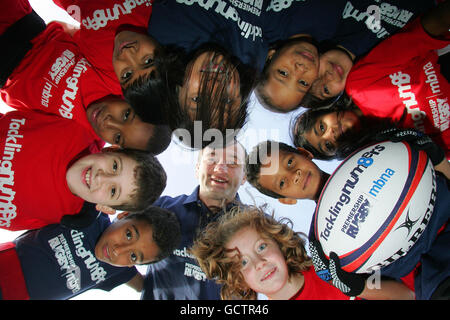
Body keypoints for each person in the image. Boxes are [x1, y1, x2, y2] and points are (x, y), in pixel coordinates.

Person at [0, 1, 171, 153]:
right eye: (126, 115)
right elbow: (78, 30)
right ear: (135, 97)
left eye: (118, 137)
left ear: (114, 147)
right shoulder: (113, 76)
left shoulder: (85, 140)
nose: (109, 123)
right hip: (17, 22)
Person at [302, 1, 449, 158]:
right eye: (328, 145)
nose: (331, 134)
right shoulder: (400, 149)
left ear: (329, 109)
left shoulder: (360, 84)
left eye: (321, 127)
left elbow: (422, 34)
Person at [191, 205, 414, 299]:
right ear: (237, 280)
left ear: (279, 243)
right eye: (243, 263)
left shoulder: (328, 267)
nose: (259, 262)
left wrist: (359, 287)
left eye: (261, 247)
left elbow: (409, 294)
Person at [0, 109, 167, 231]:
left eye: (113, 191)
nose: (101, 177)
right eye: (115, 166)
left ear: (105, 207)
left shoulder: (66, 216)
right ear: (111, 150)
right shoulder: (76, 126)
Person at [0, 203, 181, 300]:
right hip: (7, 264)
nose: (118, 250)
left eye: (133, 256)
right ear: (124, 215)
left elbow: (147, 287)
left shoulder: (119, 270)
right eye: (128, 234)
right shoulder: (89, 213)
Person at [141, 139, 247, 300]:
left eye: (233, 162)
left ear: (245, 176)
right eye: (212, 159)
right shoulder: (160, 208)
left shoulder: (260, 227)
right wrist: (136, 282)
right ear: (197, 168)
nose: (220, 168)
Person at [246, 140, 329, 204]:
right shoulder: (320, 225)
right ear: (287, 200)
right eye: (282, 183)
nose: (295, 176)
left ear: (304, 153)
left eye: (289, 162)